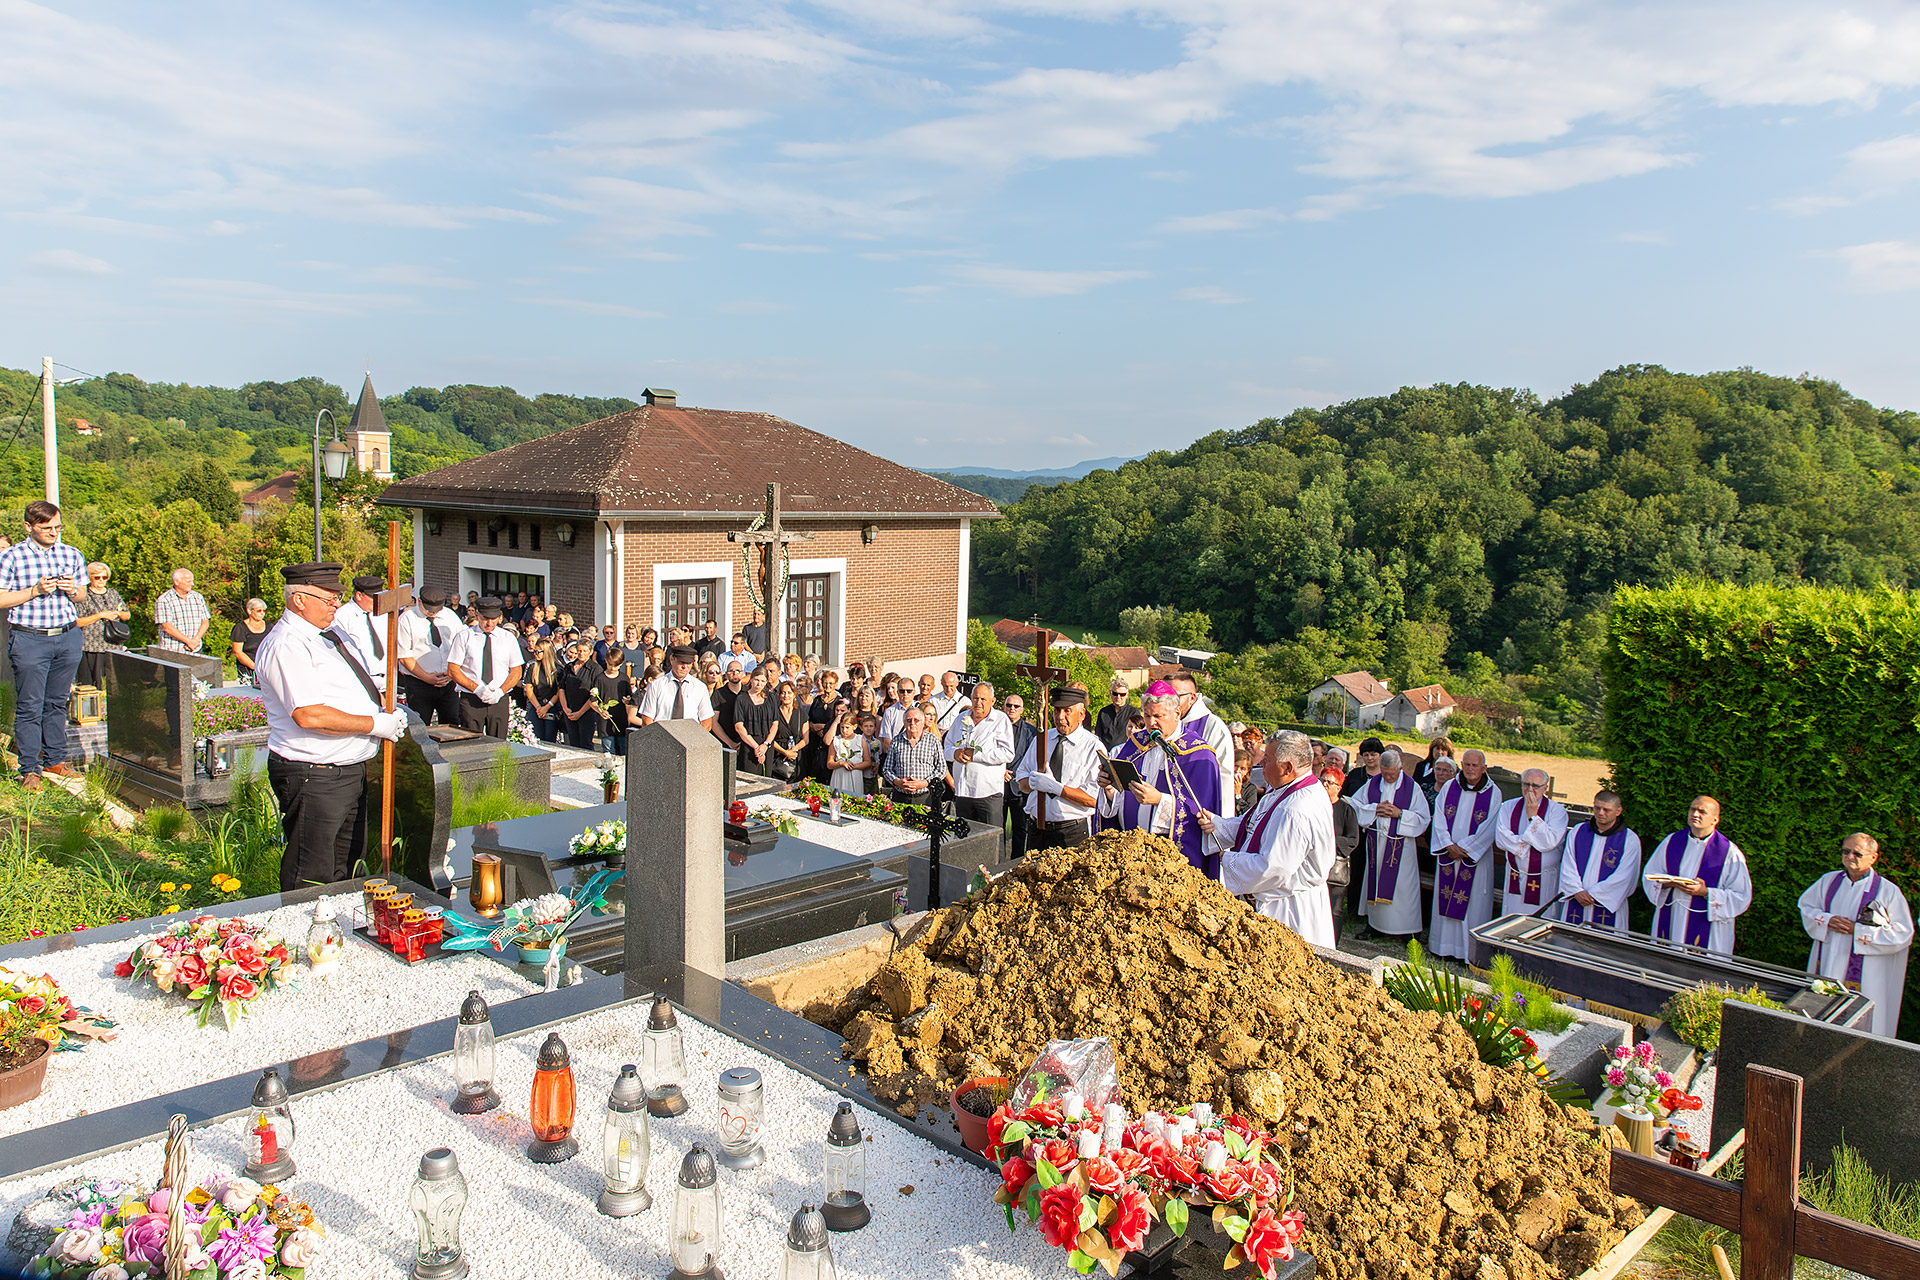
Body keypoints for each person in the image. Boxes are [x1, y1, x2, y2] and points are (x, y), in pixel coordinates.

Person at [253, 562, 407, 890]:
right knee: (311, 872)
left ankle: (338, 921)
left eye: (337, 598)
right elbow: (309, 715)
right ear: (299, 599)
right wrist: (375, 724)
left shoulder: (329, 635)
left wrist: (384, 708)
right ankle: (302, 922)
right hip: (315, 773)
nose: (336, 605)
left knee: (346, 867)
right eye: (328, 599)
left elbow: (355, 684)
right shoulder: (288, 644)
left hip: (347, 769)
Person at [1198, 731, 1336, 944]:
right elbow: (1254, 826)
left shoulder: (1296, 808)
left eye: (1268, 759)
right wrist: (1217, 825)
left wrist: (1225, 859)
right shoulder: (1286, 789)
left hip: (1288, 909)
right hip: (1280, 899)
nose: (1261, 763)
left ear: (1287, 767)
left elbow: (1272, 868)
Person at [0, 501, 87, 788]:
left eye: (58, 527)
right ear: (29, 526)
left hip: (67, 635)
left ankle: (55, 761)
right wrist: (34, 591)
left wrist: (72, 590)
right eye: (47, 527)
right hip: (30, 638)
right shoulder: (11, 556)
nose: (54, 532)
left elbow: (83, 595)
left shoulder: (71, 553)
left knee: (57, 702)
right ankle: (29, 769)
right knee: (30, 705)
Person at [1098, 681, 1222, 874]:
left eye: (1158, 716)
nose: (1151, 723)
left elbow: (1203, 812)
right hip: (1129, 853)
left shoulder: (1199, 754)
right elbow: (1120, 797)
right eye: (1147, 715)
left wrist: (1159, 800)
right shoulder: (1135, 744)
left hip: (1169, 859)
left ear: (1177, 713)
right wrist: (1109, 788)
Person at [1800, 833, 1913, 1037]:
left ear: (1873, 857)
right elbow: (1806, 907)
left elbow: (1903, 934)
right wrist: (1826, 920)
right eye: (1846, 851)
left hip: (1866, 973)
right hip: (1829, 963)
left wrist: (1858, 931)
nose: (1850, 856)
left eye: (1857, 853)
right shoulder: (1829, 881)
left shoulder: (1888, 892)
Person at [1643, 796, 1753, 954]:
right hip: (1673, 917)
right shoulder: (1672, 841)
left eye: (1702, 811)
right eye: (1693, 809)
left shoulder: (1729, 852)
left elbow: (1741, 896)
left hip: (1707, 926)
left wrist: (1706, 892)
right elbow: (1649, 875)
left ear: (1715, 819)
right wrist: (1668, 883)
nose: (1695, 814)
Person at [1428, 748, 1504, 960]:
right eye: (1467, 765)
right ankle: (1442, 947)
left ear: (1484, 768)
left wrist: (1465, 848)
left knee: (1472, 906)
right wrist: (1448, 845)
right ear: (1461, 765)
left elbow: (1490, 826)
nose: (1470, 769)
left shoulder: (1493, 793)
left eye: (1475, 765)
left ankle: (1468, 953)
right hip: (1448, 856)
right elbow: (1439, 817)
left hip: (1474, 859)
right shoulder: (1449, 787)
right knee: (1445, 899)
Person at [1347, 746, 1430, 939]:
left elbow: (1423, 818)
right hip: (1376, 844)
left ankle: (1408, 931)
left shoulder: (1412, 788)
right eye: (1385, 773)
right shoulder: (1373, 783)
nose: (1388, 777)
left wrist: (1400, 814)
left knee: (1403, 890)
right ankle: (1375, 926)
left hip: (1401, 847)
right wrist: (1375, 809)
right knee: (1375, 884)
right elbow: (1355, 805)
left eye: (1392, 774)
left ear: (1400, 768)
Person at [1015, 684, 1108, 851]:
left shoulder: (1093, 747)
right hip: (1037, 828)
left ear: (1081, 714)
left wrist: (1056, 788)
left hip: (1071, 832)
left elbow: (1094, 799)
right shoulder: (1042, 739)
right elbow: (1021, 778)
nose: (1060, 717)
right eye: (1056, 711)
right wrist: (1033, 783)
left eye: (1067, 711)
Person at [1559, 790, 1642, 933]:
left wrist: (1594, 895)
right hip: (1576, 900)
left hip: (1607, 905)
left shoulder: (1629, 839)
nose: (1600, 813)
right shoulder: (1578, 831)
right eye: (1597, 808)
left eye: (1606, 810)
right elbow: (1568, 864)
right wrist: (1576, 890)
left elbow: (1625, 875)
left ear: (1618, 811)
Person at [1494, 768, 1569, 917]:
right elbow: (1501, 839)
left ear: (1545, 788)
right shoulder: (1508, 807)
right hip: (1515, 874)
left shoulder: (1557, 811)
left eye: (1535, 786)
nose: (1530, 789)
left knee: (1540, 920)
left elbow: (1549, 842)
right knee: (1512, 918)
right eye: (1526, 784)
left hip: (1544, 879)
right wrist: (1530, 843)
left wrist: (1533, 816)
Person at [446, 597, 524, 739]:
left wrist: (501, 691)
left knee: (499, 743)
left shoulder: (508, 638)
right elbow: (453, 670)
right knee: (470, 743)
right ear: (477, 615)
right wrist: (477, 689)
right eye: (485, 618)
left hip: (499, 698)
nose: (489, 623)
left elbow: (516, 671)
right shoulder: (464, 637)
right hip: (471, 698)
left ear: (499, 618)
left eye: (493, 619)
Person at [944, 681, 1014, 830]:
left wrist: (975, 755)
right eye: (976, 698)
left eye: (983, 699)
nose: (978, 702)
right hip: (963, 791)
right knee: (964, 836)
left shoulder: (1000, 720)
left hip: (988, 793)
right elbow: (946, 748)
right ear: (971, 698)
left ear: (992, 701)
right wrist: (954, 753)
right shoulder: (961, 719)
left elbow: (1007, 753)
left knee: (991, 837)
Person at [1168, 671, 1236, 817]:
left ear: (1192, 698)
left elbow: (1223, 777)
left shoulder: (1213, 727)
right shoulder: (1161, 722)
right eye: (1164, 696)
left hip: (1198, 808)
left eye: (1174, 697)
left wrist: (1222, 822)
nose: (1168, 703)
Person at [395, 587, 461, 726]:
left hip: (448, 682)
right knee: (420, 725)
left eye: (436, 610)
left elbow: (461, 647)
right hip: (419, 683)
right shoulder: (407, 619)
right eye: (429, 609)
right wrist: (427, 678)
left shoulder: (450, 616)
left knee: (452, 723)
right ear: (419, 601)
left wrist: (452, 674)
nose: (432, 613)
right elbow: (404, 656)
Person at [76, 561, 131, 690]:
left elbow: (127, 615)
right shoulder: (84, 596)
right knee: (94, 684)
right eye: (97, 577)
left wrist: (117, 613)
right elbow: (78, 621)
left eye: (104, 577)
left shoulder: (113, 593)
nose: (101, 580)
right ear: (90, 578)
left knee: (112, 684)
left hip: (113, 645)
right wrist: (100, 615)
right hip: (91, 646)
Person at [1320, 765, 1360, 943]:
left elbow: (1353, 840)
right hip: (1312, 864)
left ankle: (1332, 944)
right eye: (1322, 780)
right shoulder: (1313, 806)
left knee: (1334, 909)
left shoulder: (1346, 810)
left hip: (1334, 866)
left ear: (1338, 787)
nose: (1324, 785)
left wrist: (1329, 840)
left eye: (1329, 782)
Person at [636, 645, 717, 730]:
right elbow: (647, 719)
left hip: (690, 736)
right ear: (672, 659)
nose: (685, 667)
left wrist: (696, 737)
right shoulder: (656, 685)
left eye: (688, 663)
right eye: (681, 662)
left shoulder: (700, 687)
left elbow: (706, 721)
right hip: (662, 735)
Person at [882, 704, 948, 805]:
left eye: (916, 720)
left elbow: (942, 769)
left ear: (923, 722)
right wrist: (897, 781)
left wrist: (924, 783)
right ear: (904, 723)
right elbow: (887, 769)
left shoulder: (933, 741)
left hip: (925, 796)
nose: (912, 723)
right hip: (900, 796)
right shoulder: (896, 741)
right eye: (909, 720)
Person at [1003, 693, 1038, 859]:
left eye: (1016, 706)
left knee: (1020, 827)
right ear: (1004, 707)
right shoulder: (996, 727)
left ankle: (1016, 861)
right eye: (1009, 705)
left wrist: (1018, 775)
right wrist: (1000, 771)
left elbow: (1030, 758)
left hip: (1018, 785)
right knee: (998, 827)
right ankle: (998, 861)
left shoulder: (1030, 731)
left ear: (1022, 710)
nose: (1012, 709)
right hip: (998, 783)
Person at [556, 638, 604, 749]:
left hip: (586, 712)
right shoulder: (569, 667)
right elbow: (561, 689)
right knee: (573, 743)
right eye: (579, 651)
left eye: (584, 651)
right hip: (569, 711)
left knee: (585, 743)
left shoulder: (595, 669)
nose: (581, 654)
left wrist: (580, 713)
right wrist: (565, 708)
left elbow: (594, 694)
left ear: (590, 652)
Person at [155, 568, 210, 654]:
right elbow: (167, 627)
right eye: (188, 581)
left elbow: (205, 622)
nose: (192, 584)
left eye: (192, 581)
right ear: (176, 582)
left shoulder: (198, 597)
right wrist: (188, 641)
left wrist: (195, 640)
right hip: (173, 650)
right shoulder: (164, 600)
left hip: (196, 649)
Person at [766, 680, 809, 782]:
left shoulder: (801, 713)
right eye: (783, 693)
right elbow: (769, 738)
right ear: (779, 695)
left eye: (789, 693)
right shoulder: (773, 713)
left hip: (796, 756)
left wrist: (793, 750)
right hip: (778, 756)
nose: (786, 696)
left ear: (794, 694)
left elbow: (806, 739)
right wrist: (785, 752)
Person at [520, 639, 561, 743]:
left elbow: (559, 691)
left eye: (538, 652)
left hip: (551, 706)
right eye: (534, 651)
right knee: (536, 737)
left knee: (549, 738)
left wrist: (546, 707)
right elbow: (529, 689)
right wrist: (538, 707)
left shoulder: (557, 669)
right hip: (536, 706)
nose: (535, 654)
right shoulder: (533, 667)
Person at [228, 598, 272, 686]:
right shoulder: (240, 628)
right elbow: (237, 652)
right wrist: (255, 667)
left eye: (264, 611)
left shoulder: (270, 627)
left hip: (267, 668)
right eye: (259, 610)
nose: (262, 613)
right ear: (249, 611)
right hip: (248, 670)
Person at [828, 709, 870, 797]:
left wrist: (854, 766)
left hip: (855, 776)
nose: (844, 730)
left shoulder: (860, 740)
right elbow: (829, 763)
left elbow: (867, 762)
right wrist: (841, 764)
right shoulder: (836, 740)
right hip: (839, 776)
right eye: (842, 727)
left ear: (854, 727)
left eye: (847, 727)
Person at [711, 660, 747, 752]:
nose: (735, 673)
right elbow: (714, 723)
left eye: (738, 670)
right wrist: (730, 743)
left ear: (743, 674)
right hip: (725, 745)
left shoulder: (748, 693)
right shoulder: (718, 694)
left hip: (747, 744)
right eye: (731, 671)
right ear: (726, 675)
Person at [1094, 680, 1133, 749]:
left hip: (1125, 752)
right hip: (1105, 753)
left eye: (1122, 694)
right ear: (1110, 693)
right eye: (1115, 694)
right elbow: (1098, 735)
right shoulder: (1103, 712)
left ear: (1127, 695)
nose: (1118, 697)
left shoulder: (1133, 713)